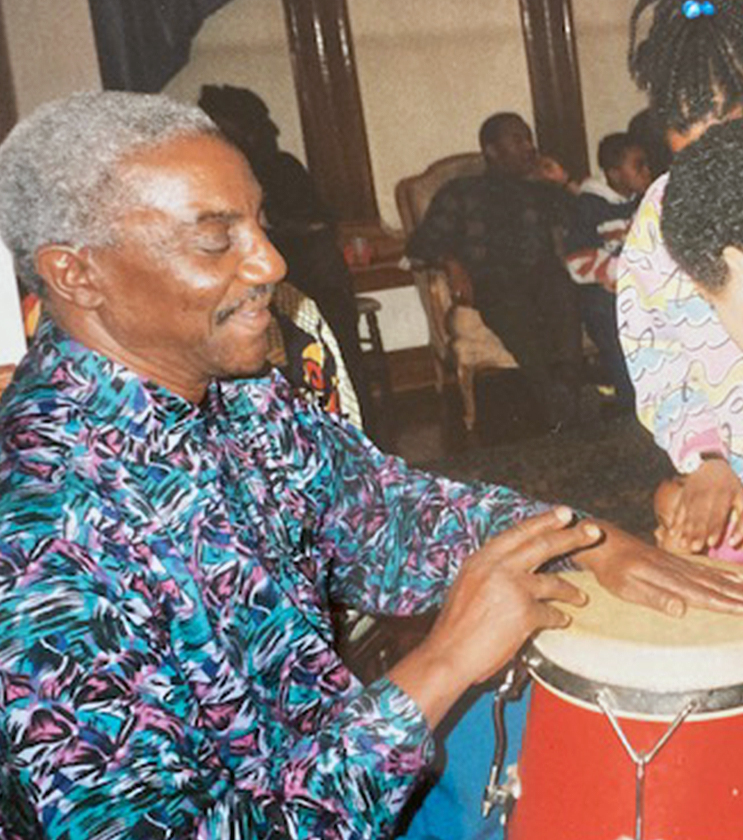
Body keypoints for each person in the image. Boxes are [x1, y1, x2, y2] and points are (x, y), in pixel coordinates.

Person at [2, 93, 743, 840]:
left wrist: (584, 539)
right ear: (76, 274)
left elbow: (382, 510)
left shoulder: (240, 396)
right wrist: (440, 666)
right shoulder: (36, 542)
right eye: (214, 240)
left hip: (345, 757)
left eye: (258, 221)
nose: (271, 261)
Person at [617, 0, 743, 555]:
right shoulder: (660, 214)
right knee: (674, 522)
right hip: (725, 457)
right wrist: (708, 460)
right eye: (686, 145)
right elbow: (655, 349)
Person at [198, 84, 373, 431]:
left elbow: (318, 223)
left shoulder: (281, 168)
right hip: (248, 291)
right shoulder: (212, 178)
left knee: (335, 364)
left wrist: (271, 227)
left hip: (311, 279)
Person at [406, 113, 583, 431]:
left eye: (529, 138)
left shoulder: (541, 190)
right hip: (494, 281)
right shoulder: (461, 191)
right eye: (518, 140)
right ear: (491, 150)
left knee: (561, 288)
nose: (529, 147)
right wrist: (452, 262)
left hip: (543, 276)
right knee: (510, 302)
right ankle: (554, 396)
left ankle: (565, 390)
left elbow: (585, 223)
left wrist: (564, 183)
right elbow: (421, 242)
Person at [564, 132, 651, 410]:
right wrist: (623, 274)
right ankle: (629, 398)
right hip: (602, 288)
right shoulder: (589, 206)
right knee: (608, 316)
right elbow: (578, 261)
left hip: (642, 281)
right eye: (639, 166)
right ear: (614, 174)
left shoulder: (646, 200)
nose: (647, 171)